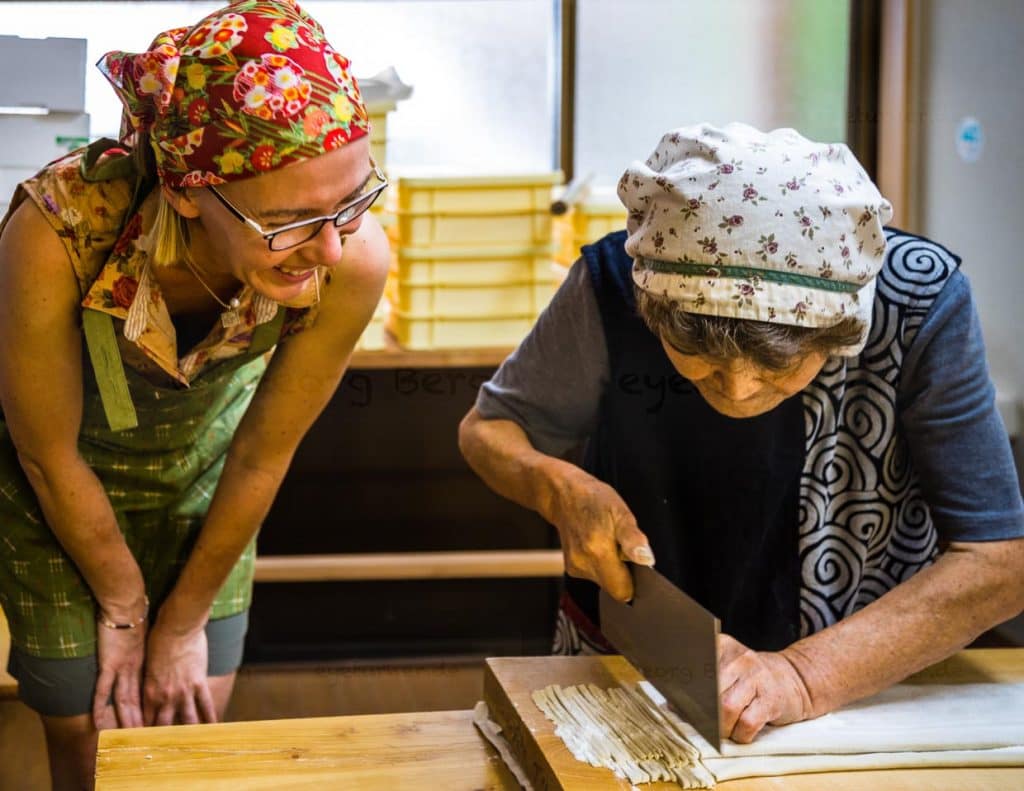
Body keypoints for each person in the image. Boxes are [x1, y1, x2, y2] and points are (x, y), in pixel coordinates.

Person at [460, 123, 1024, 744]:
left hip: (863, 681)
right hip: (631, 662)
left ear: (843, 330)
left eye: (780, 368)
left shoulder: (917, 303)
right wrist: (557, 487)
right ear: (650, 308)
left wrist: (803, 676)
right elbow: (490, 430)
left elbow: (997, 560)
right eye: (695, 356)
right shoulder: (615, 283)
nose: (738, 389)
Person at [0, 1, 389, 787]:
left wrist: (179, 621)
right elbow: (46, 453)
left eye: (353, 200)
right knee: (91, 739)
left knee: (186, 740)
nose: (331, 246)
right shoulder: (58, 232)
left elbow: (261, 452)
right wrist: (123, 604)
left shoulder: (350, 258)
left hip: (208, 484)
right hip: (59, 492)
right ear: (186, 193)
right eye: (290, 221)